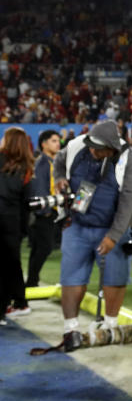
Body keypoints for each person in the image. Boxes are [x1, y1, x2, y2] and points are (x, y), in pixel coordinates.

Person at [53, 120, 132, 338]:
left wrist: (113, 236)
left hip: (113, 227)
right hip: (78, 225)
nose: (93, 150)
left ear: (111, 148)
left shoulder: (129, 159)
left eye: (99, 148)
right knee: (71, 277)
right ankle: (70, 329)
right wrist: (59, 177)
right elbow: (59, 159)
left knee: (115, 277)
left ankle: (110, 324)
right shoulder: (77, 146)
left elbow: (129, 203)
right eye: (91, 145)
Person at [0, 127, 34, 324]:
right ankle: (4, 309)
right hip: (12, 223)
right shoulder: (26, 169)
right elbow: (26, 204)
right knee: (8, 266)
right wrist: (22, 231)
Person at [25, 129, 61, 287]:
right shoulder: (42, 163)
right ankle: (32, 282)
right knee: (44, 248)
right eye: (53, 141)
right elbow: (40, 189)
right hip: (44, 213)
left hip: (51, 210)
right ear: (44, 144)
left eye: (58, 140)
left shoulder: (52, 162)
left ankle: (32, 282)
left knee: (39, 248)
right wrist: (45, 212)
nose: (58, 143)